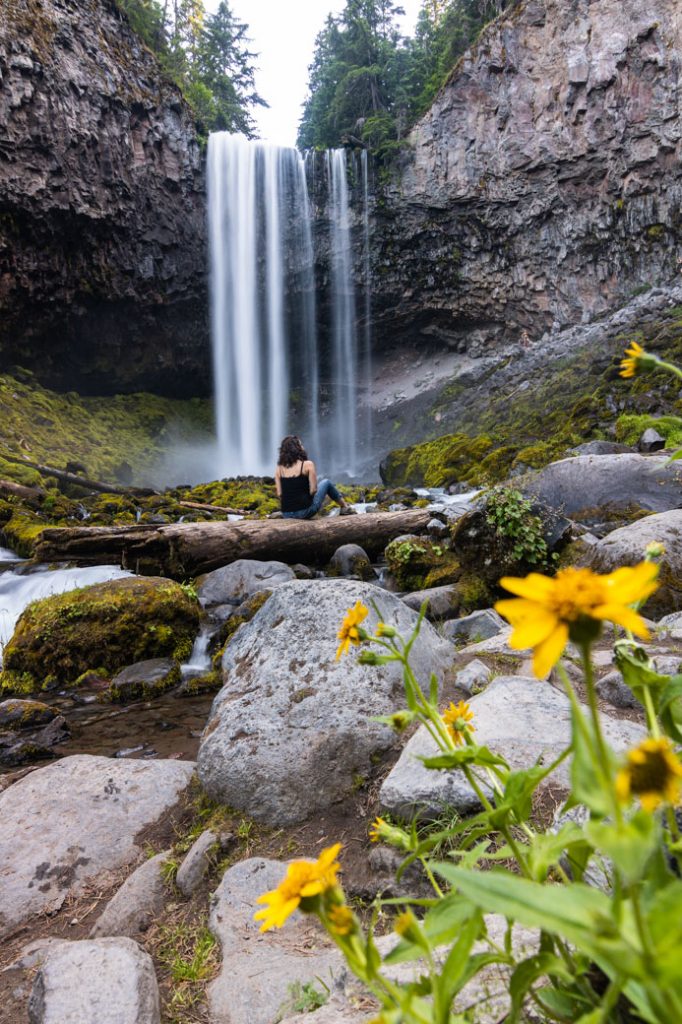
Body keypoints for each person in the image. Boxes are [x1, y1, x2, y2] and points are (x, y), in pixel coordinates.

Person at [275, 436, 356, 519]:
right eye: (301, 444)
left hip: (286, 514)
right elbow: (313, 490)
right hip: (305, 512)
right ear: (297, 448)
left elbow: (279, 494)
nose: (303, 447)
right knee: (326, 482)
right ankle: (345, 507)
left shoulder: (279, 468)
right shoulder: (308, 465)